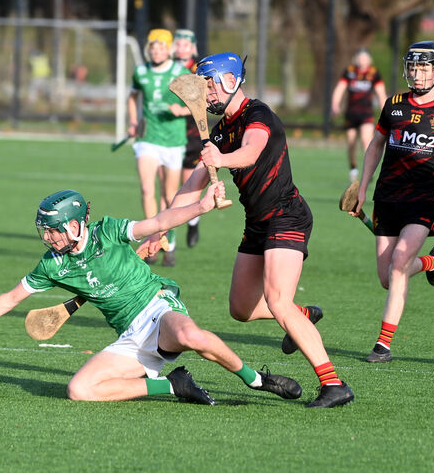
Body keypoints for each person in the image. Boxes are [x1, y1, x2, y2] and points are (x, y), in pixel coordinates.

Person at [0, 185, 304, 406]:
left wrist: (201, 207)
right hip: (130, 336)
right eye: (44, 232)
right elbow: (8, 299)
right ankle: (173, 385)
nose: (48, 239)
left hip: (158, 308)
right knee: (79, 390)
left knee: (191, 336)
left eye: (54, 231)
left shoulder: (108, 231)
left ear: (76, 224)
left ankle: (256, 379)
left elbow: (156, 223)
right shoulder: (53, 266)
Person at [146, 52, 354, 408]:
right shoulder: (222, 131)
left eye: (209, 84)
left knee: (277, 301)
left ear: (230, 81)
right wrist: (159, 228)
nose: (205, 93)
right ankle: (302, 315)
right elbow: (192, 187)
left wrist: (221, 160)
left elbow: (253, 151)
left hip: (286, 216)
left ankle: (334, 384)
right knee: (241, 308)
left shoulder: (258, 115)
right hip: (257, 222)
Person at [353, 41, 434, 363]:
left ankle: (382, 346)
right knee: (387, 277)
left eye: (424, 67)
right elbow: (375, 146)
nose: (417, 73)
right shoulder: (393, 105)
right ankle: (431, 263)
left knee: (398, 263)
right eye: (413, 67)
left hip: (424, 200)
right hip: (387, 197)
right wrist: (362, 186)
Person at [127, 29, 190, 266]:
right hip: (148, 139)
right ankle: (152, 240)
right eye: (153, 47)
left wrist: (181, 110)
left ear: (169, 50)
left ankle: (169, 239)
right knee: (146, 188)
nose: (156, 51)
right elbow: (132, 98)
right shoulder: (141, 72)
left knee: (169, 195)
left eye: (161, 47)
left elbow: (197, 103)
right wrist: (134, 122)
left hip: (173, 141)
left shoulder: (180, 72)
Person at [330, 48, 387, 183]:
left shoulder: (373, 73)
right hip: (351, 114)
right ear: (356, 59)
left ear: (369, 60)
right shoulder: (350, 72)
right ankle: (353, 169)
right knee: (351, 143)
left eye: (364, 57)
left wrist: (385, 109)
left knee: (366, 140)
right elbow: (339, 89)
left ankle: (368, 170)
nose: (362, 60)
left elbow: (381, 93)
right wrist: (335, 105)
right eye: (360, 57)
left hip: (366, 114)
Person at [171, 28, 203, 248]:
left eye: (185, 44)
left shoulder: (198, 69)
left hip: (191, 134)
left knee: (187, 184)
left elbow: (202, 100)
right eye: (178, 44)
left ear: (192, 48)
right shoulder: (167, 67)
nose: (180, 48)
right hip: (167, 134)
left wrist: (182, 111)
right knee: (168, 187)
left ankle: (193, 222)